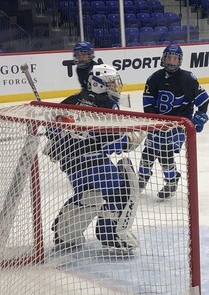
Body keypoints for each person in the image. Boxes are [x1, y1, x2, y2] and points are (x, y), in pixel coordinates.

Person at [45, 64, 142, 255]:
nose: (115, 87)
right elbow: (108, 141)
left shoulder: (75, 98)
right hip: (93, 161)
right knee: (124, 189)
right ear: (98, 84)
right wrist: (129, 139)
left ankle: (66, 234)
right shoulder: (106, 104)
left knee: (91, 196)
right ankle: (114, 236)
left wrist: (60, 135)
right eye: (110, 83)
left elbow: (50, 126)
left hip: (72, 165)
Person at [140, 44, 209, 199]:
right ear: (163, 58)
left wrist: (200, 117)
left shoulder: (187, 79)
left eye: (175, 59)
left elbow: (203, 101)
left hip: (178, 125)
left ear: (180, 61)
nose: (172, 62)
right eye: (169, 58)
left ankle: (172, 179)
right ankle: (142, 177)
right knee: (148, 152)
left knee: (165, 151)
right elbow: (148, 102)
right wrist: (154, 121)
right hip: (158, 123)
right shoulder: (154, 78)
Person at [61, 41, 96, 106]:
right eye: (78, 55)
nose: (80, 57)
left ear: (90, 55)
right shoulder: (79, 69)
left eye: (83, 54)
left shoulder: (96, 68)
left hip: (97, 99)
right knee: (63, 105)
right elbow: (84, 88)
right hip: (86, 96)